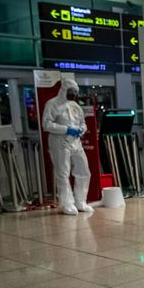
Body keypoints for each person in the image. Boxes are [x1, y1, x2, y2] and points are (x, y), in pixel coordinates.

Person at [42, 79, 92, 216]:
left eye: (75, 92)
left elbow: (83, 123)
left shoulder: (75, 106)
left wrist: (81, 129)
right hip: (59, 142)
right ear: (64, 90)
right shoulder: (52, 104)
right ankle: (67, 203)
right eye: (71, 91)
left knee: (84, 170)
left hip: (75, 142)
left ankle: (80, 201)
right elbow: (46, 124)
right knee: (63, 173)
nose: (73, 94)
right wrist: (66, 129)